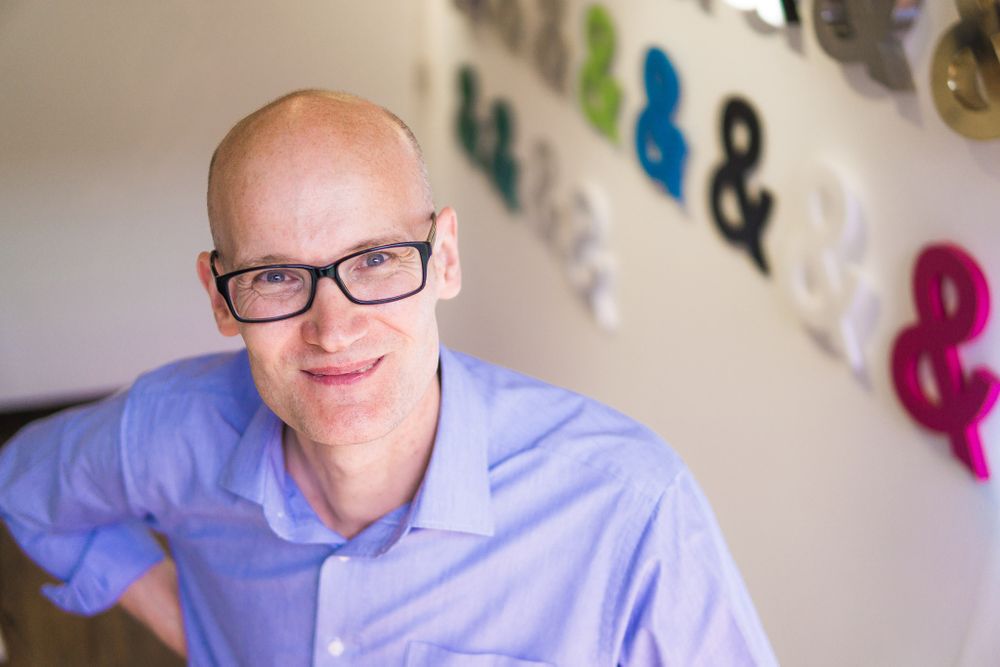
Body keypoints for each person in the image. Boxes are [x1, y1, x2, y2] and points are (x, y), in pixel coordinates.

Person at [0, 90, 777, 666]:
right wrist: (194, 628)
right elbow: (24, 483)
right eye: (275, 276)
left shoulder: (628, 508)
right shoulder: (167, 430)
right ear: (219, 296)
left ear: (443, 258)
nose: (332, 330)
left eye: (374, 261)